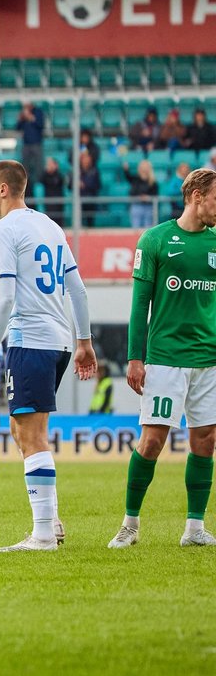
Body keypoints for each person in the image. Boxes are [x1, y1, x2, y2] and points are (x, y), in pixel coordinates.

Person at [0, 160, 96, 552]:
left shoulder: (3, 230)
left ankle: (43, 534)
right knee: (20, 428)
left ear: (4, 189)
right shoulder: (49, 225)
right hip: (59, 341)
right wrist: (84, 341)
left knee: (31, 434)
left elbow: (5, 296)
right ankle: (52, 522)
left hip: (30, 338)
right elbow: (77, 289)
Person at [108, 168, 216, 550]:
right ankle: (130, 524)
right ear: (197, 195)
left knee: (206, 439)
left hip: (209, 358)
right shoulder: (155, 239)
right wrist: (135, 358)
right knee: (152, 441)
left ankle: (194, 528)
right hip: (166, 358)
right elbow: (140, 304)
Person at [17, 101, 46, 188]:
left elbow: (41, 125)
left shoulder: (38, 112)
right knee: (25, 166)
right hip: (26, 143)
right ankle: (26, 185)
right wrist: (20, 119)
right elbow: (18, 128)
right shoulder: (22, 114)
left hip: (36, 143)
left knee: (38, 165)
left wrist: (31, 118)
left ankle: (39, 184)